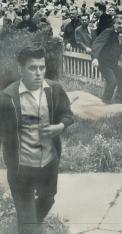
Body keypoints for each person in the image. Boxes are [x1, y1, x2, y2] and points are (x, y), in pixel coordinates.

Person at [0, 46, 74, 234]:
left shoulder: (54, 90)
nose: (39, 73)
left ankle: (27, 222)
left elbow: (68, 114)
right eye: (33, 68)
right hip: (21, 168)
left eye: (42, 67)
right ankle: (28, 224)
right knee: (29, 225)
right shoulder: (7, 98)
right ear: (20, 70)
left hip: (49, 163)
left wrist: (59, 127)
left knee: (48, 198)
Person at [92, 15, 122, 103]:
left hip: (113, 64)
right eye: (118, 23)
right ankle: (106, 101)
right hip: (103, 63)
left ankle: (118, 97)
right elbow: (97, 44)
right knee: (112, 81)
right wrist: (95, 58)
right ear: (114, 24)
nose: (121, 26)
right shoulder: (108, 32)